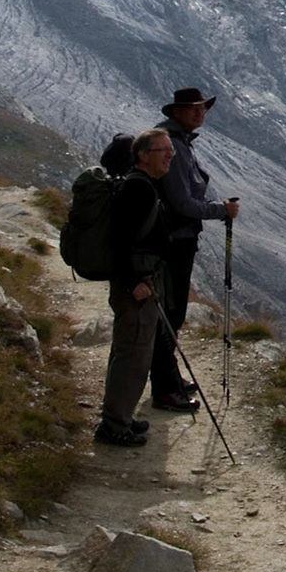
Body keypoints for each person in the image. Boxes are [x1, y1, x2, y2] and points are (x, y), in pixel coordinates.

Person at [149, 87, 240, 413]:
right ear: (176, 112)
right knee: (170, 313)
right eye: (193, 109)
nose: (200, 114)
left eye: (202, 109)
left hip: (176, 236)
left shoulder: (178, 142)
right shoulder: (172, 146)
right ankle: (163, 389)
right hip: (174, 239)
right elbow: (182, 202)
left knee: (173, 312)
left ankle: (169, 376)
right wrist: (220, 210)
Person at [96, 127, 175, 448]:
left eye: (171, 150)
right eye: (163, 150)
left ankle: (121, 417)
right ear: (143, 155)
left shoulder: (140, 185)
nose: (170, 155)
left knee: (131, 350)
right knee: (134, 353)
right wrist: (133, 283)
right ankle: (114, 426)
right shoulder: (138, 189)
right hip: (138, 285)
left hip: (142, 281)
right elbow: (121, 241)